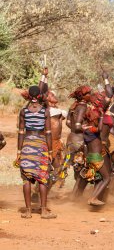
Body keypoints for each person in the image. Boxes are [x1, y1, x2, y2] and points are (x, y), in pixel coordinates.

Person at [16, 85, 56, 219]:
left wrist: (19, 151)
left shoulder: (23, 111)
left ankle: (28, 211)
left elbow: (21, 132)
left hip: (27, 144)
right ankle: (43, 211)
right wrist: (50, 151)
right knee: (42, 178)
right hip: (40, 145)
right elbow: (49, 133)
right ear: (40, 96)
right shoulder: (45, 111)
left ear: (29, 96)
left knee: (26, 179)